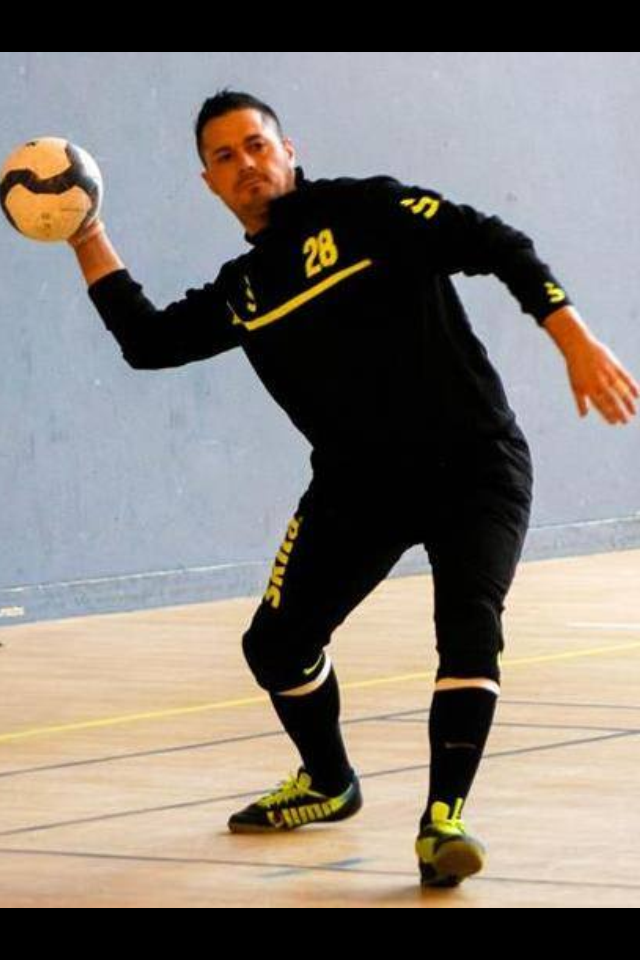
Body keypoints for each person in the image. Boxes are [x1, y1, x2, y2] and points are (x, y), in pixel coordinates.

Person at [69, 90, 639, 888]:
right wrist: (85, 232)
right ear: (209, 182)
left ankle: (443, 821)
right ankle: (329, 782)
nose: (246, 164)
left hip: (474, 463)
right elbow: (148, 340)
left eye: (256, 145)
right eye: (225, 157)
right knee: (274, 648)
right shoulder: (245, 290)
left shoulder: (368, 212)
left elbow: (495, 240)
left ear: (288, 150)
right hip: (359, 486)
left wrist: (571, 335)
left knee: (469, 627)